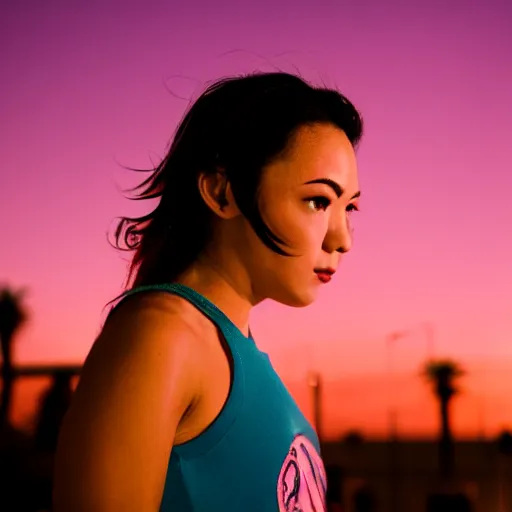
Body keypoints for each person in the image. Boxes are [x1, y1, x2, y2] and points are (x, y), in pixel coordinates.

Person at [53, 71, 363, 511]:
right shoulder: (162, 334)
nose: (342, 237)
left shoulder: (233, 349)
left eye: (349, 206)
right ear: (222, 192)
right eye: (318, 201)